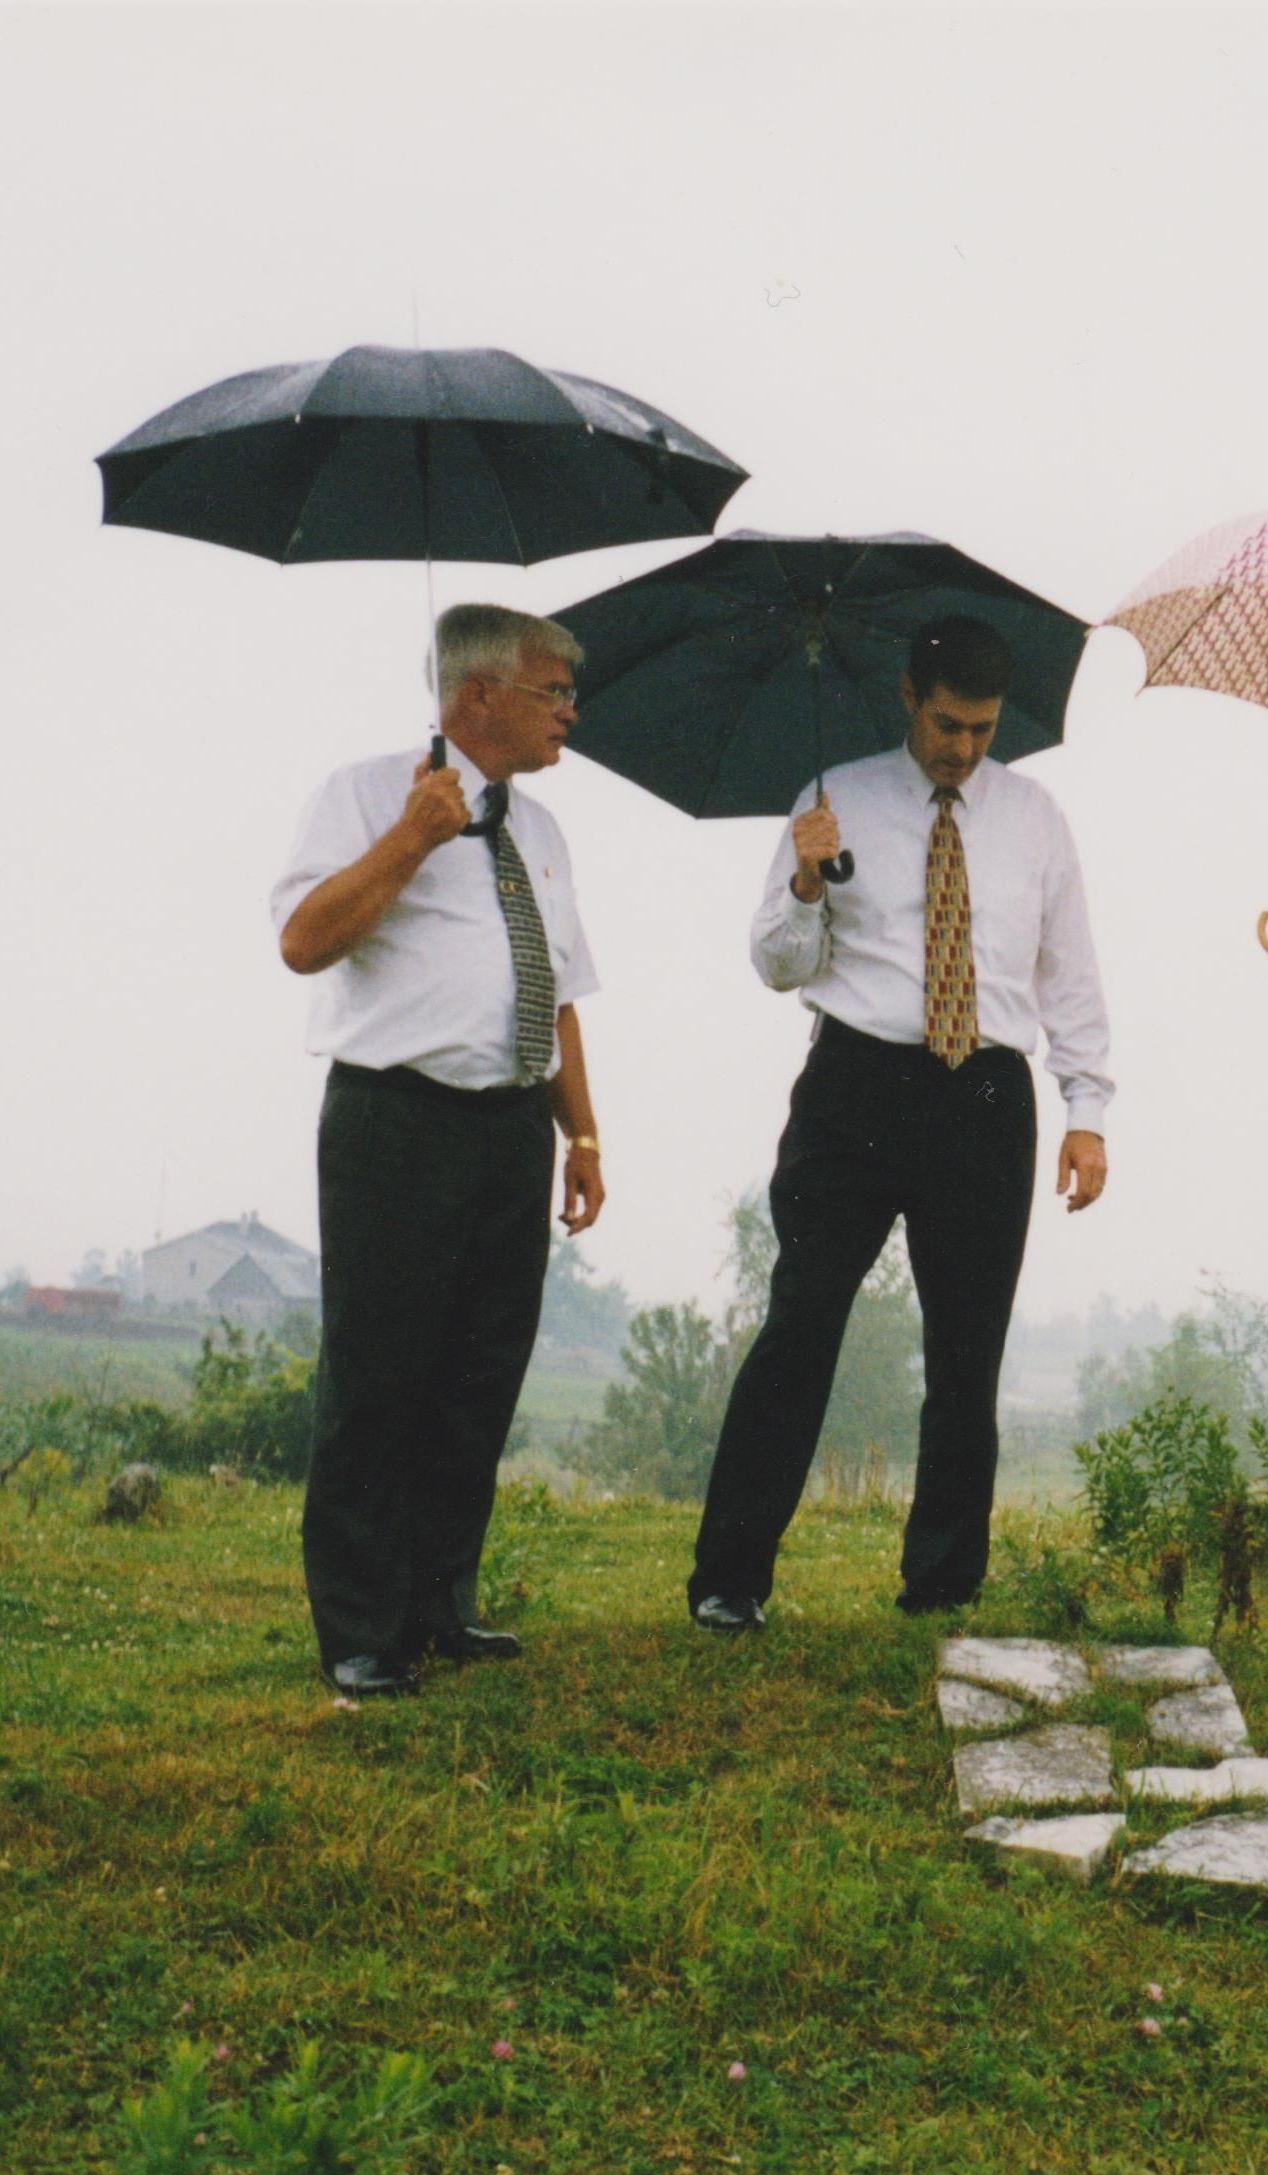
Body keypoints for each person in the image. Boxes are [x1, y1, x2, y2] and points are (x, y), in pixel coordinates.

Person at [686, 616, 1112, 1633]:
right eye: (948, 724)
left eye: (983, 729)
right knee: (801, 1324)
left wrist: (1086, 1109)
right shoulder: (831, 799)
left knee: (968, 1349)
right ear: (909, 701)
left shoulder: (1036, 818)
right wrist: (802, 878)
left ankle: (942, 1587)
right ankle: (729, 1579)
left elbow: (1070, 975)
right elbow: (778, 966)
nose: (964, 748)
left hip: (985, 1095)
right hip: (855, 1087)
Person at [273, 605, 605, 1698]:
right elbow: (304, 941)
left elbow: (554, 997)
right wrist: (413, 836)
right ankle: (360, 1630)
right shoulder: (367, 795)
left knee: (479, 1376)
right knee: (379, 1378)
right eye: (554, 690)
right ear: (479, 695)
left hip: (509, 1130)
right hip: (395, 1123)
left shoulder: (540, 832)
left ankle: (439, 1604)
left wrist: (582, 1132)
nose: (571, 710)